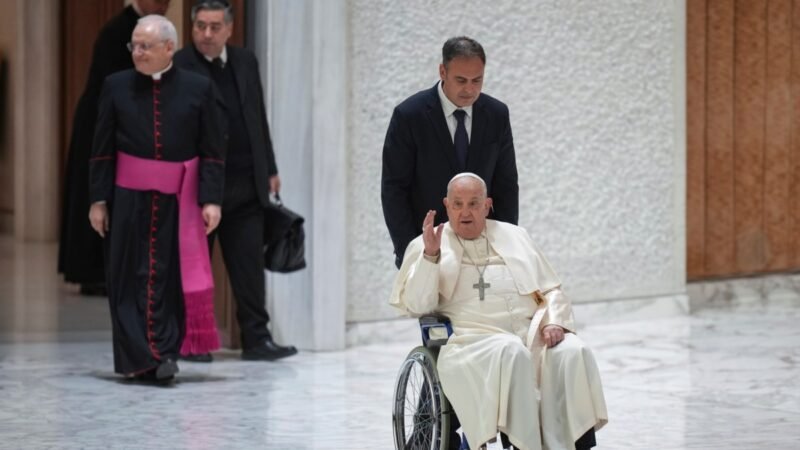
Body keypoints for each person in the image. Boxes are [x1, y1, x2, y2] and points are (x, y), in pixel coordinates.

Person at [389, 173, 608, 450]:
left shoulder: (516, 236)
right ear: (446, 205)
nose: (465, 212)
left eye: (473, 203)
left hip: (532, 336)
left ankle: (576, 444)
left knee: (574, 351)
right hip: (472, 342)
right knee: (511, 350)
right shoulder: (428, 244)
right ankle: (523, 445)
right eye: (457, 204)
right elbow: (418, 305)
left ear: (487, 205)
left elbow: (552, 289)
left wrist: (554, 321)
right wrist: (431, 257)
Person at [89, 15, 224, 383]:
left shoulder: (198, 87)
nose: (138, 52)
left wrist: (211, 200)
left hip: (178, 203)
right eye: (134, 45)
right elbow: (101, 150)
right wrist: (98, 200)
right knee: (127, 278)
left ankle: (164, 354)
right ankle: (137, 358)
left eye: (145, 45)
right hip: (127, 199)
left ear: (169, 48)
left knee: (168, 276)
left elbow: (212, 150)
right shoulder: (115, 86)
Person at [174, 0, 297, 362]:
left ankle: (257, 340)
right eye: (200, 27)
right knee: (195, 268)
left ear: (229, 29)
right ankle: (192, 341)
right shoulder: (181, 65)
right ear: (192, 28)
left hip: (247, 184)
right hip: (200, 189)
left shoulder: (245, 61)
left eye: (215, 27)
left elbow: (257, 118)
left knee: (248, 268)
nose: (207, 34)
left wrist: (270, 168)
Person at [59, 0, 171, 295]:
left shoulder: (154, 30)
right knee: (99, 196)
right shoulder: (118, 31)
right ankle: (93, 271)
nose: (163, 4)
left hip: (126, 125)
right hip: (103, 122)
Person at [382, 36, 519, 269]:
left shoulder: (497, 115)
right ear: (442, 72)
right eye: (461, 80)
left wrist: (506, 246)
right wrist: (411, 253)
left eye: (477, 80)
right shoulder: (409, 117)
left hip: (484, 254)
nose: (470, 89)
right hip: (428, 252)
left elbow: (506, 184)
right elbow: (394, 190)